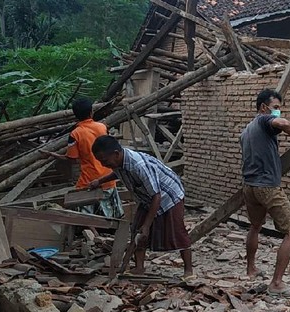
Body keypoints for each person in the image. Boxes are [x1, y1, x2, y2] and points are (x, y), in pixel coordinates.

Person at [89, 135, 193, 277]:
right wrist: (100, 181)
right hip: (146, 197)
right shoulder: (118, 162)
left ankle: (188, 271)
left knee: (177, 233)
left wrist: (147, 226)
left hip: (168, 195)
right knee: (136, 231)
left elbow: (157, 196)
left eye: (104, 161)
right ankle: (139, 268)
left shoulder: (139, 166)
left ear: (116, 154)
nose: (103, 165)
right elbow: (117, 173)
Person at [240, 89, 290, 296]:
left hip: (249, 187)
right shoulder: (263, 120)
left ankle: (251, 269)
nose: (278, 111)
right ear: (264, 108)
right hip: (267, 186)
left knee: (255, 226)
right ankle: (276, 283)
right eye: (276, 107)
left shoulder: (246, 130)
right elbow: (282, 124)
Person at [41, 98, 123, 219]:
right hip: (108, 177)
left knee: (81, 207)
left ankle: (88, 227)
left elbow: (71, 159)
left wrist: (52, 154)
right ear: (91, 112)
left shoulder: (75, 134)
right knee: (112, 213)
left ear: (75, 116)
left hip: (89, 179)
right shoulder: (102, 127)